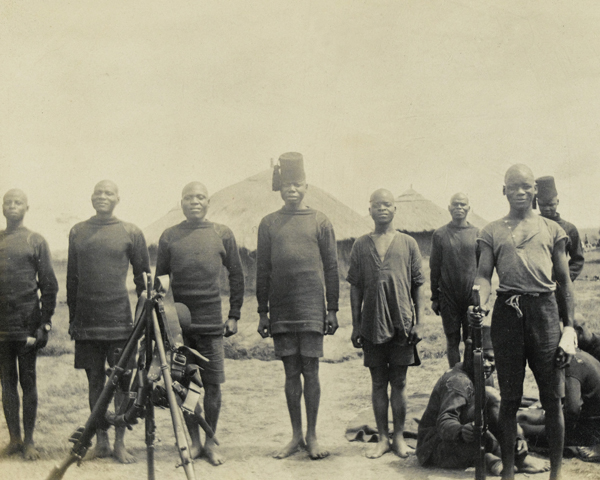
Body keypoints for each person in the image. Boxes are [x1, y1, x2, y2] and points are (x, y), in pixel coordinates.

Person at [474, 164, 577, 480]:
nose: (520, 192)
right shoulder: (491, 230)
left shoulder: (552, 230)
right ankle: (507, 471)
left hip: (544, 314)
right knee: (509, 398)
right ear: (503, 191)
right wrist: (480, 299)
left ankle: (556, 473)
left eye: (526, 186)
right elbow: (483, 275)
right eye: (513, 186)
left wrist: (569, 327)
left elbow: (563, 280)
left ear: (535, 191)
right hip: (507, 313)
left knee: (552, 398)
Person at [256, 152, 339, 460]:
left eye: (298, 184)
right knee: (291, 372)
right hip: (282, 309)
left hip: (311, 308)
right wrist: (262, 312)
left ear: (307, 186)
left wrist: (332, 309)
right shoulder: (268, 223)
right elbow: (262, 269)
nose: (292, 189)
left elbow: (332, 268)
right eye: (287, 184)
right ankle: (295, 436)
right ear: (279, 187)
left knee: (312, 371)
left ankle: (313, 435)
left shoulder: (321, 221)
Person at [156, 181, 244, 466]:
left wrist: (234, 314)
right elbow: (161, 284)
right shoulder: (169, 236)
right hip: (180, 328)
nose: (194, 202)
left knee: (213, 385)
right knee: (185, 386)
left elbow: (237, 276)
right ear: (181, 202)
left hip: (211, 325)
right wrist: (166, 322)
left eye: (200, 197)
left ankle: (210, 443)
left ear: (208, 202)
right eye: (188, 197)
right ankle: (194, 442)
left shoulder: (222, 234)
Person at [67, 180, 150, 463]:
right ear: (91, 198)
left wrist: (143, 321)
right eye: (98, 192)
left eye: (108, 193)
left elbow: (144, 281)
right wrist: (73, 320)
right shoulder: (78, 231)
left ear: (118, 198)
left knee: (122, 383)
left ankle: (119, 442)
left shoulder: (131, 231)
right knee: (94, 383)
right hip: (88, 322)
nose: (102, 196)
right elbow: (72, 279)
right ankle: (100, 441)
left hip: (120, 322)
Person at [347, 188, 425, 459]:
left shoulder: (408, 243)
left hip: (402, 322)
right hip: (372, 322)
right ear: (369, 209)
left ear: (395, 209)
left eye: (387, 204)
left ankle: (400, 436)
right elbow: (355, 288)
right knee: (378, 382)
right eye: (376, 204)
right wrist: (356, 324)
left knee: (400, 381)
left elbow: (418, 286)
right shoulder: (360, 245)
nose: (382, 209)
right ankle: (382, 437)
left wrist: (420, 322)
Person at [417, 325, 549, 475]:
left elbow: (498, 411)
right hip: (435, 445)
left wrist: (517, 437)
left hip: (471, 434)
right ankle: (488, 459)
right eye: (482, 358)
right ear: (469, 357)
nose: (487, 364)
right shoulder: (457, 381)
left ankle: (516, 457)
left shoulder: (485, 376)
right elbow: (444, 422)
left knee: (492, 402)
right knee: (484, 442)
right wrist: (461, 430)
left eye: (491, 359)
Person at [0, 189, 58, 460]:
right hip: (2, 327)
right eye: (7, 202)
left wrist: (44, 324)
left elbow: (49, 284)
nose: (12, 206)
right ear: (2, 207)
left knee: (28, 380)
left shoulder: (36, 240)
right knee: (6, 383)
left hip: (27, 324)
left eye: (17, 202)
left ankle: (31, 441)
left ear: (26, 207)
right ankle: (14, 439)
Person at [430, 192, 479, 367]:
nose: (459, 208)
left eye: (462, 205)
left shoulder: (476, 234)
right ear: (449, 208)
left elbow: (483, 269)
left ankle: (469, 377)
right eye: (455, 205)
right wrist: (435, 298)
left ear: (468, 208)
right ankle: (455, 378)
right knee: (452, 339)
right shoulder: (440, 234)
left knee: (470, 339)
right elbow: (434, 268)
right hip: (448, 296)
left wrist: (480, 299)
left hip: (470, 296)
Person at [536, 176, 585, 281]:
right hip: (536, 284)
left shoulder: (569, 228)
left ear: (557, 202)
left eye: (551, 204)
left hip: (559, 286)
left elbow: (578, 259)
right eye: (542, 205)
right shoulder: (532, 226)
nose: (547, 209)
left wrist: (564, 278)